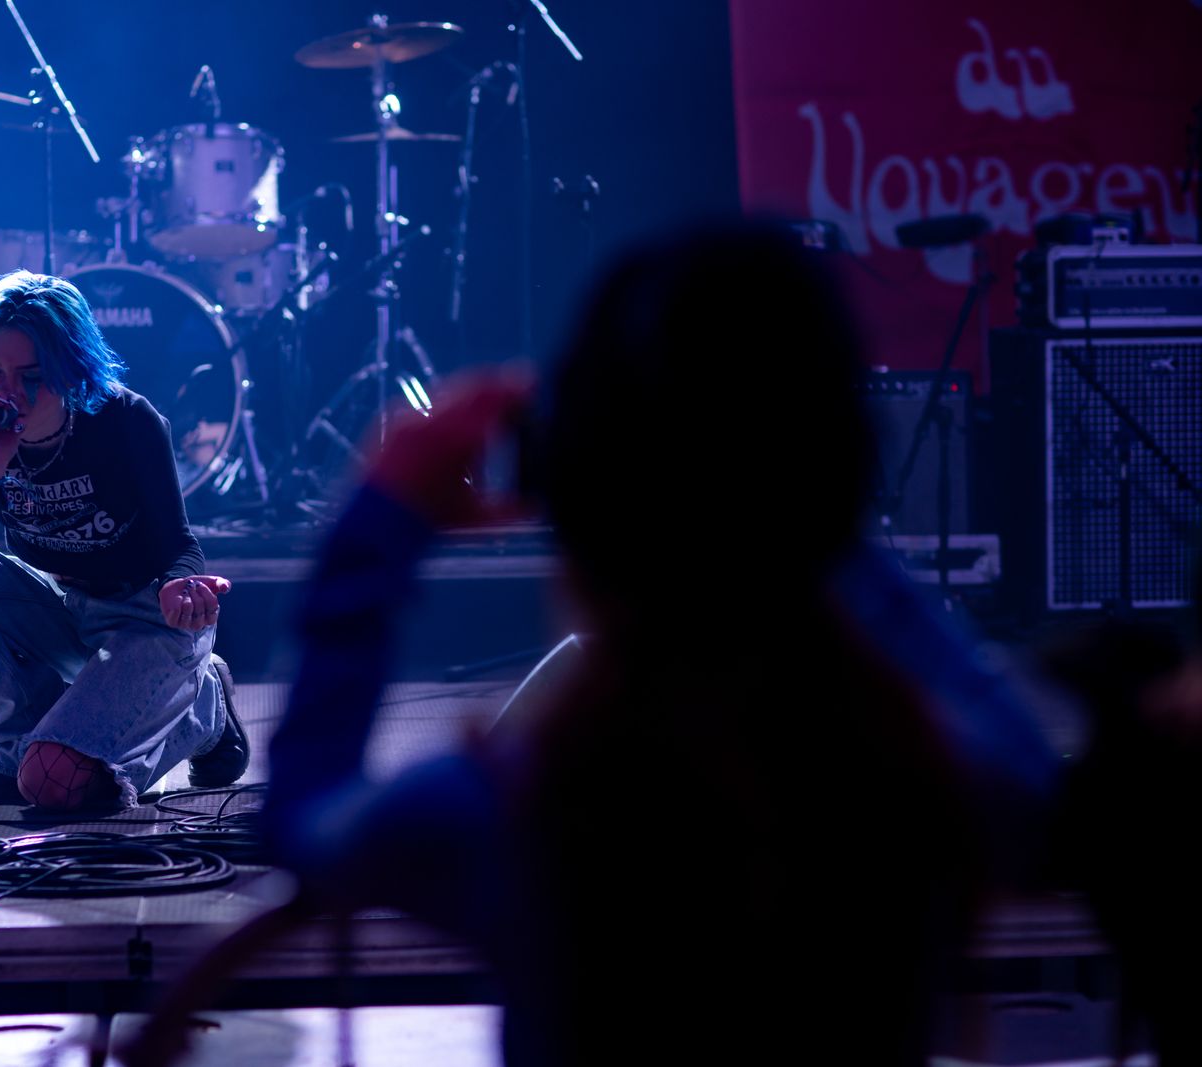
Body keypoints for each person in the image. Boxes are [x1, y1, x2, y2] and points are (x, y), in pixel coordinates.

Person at [264, 222, 1061, 1065]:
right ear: (844, 467)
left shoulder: (513, 806)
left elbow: (303, 828)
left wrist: (382, 514)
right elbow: (1041, 788)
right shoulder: (915, 780)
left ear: (576, 495)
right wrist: (802, 500)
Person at [0, 270, 248, 811]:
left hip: (145, 615)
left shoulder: (127, 419)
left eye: (31, 375)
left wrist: (180, 584)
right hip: (57, 604)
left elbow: (179, 543)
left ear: (70, 368)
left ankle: (204, 708)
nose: (9, 392)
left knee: (54, 784)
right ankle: (16, 751)